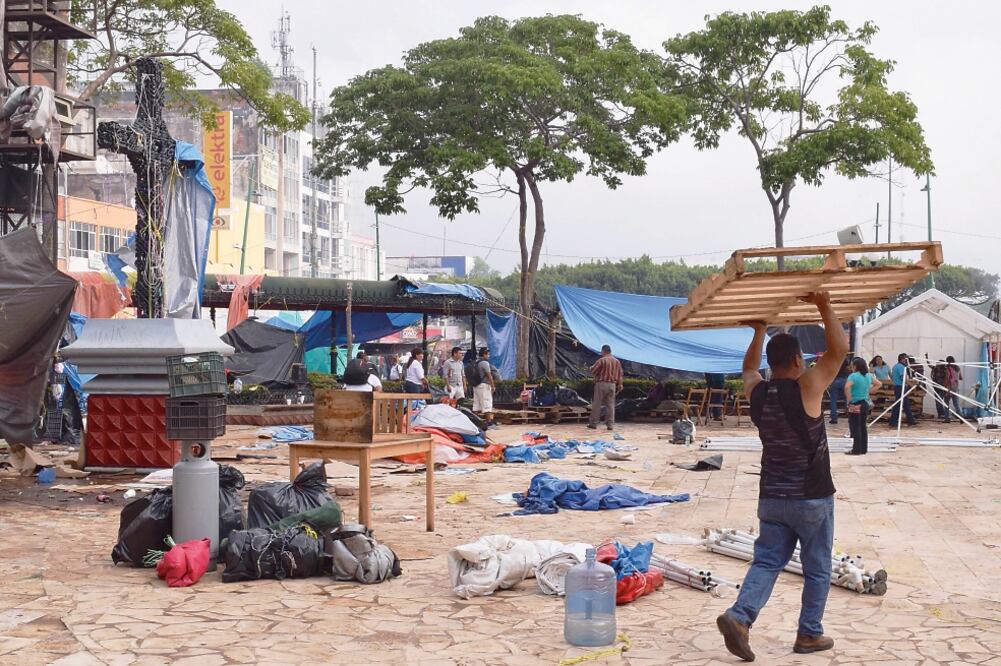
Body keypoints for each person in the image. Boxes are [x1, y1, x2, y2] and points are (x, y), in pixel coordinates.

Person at [716, 292, 846, 661]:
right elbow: (838, 351)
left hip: (772, 496)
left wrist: (758, 333)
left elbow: (747, 370)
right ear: (797, 361)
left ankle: (740, 617)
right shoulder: (807, 388)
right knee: (818, 569)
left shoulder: (757, 392)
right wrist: (823, 305)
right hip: (811, 497)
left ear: (772, 362)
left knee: (768, 561)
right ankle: (809, 634)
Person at [844, 357, 880, 455]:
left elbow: (847, 387)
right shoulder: (868, 376)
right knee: (863, 427)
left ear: (855, 366)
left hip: (855, 403)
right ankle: (864, 449)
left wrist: (849, 398)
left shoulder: (853, 376)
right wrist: (868, 391)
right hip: (865, 403)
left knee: (856, 427)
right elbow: (878, 384)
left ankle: (856, 450)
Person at [588, 344, 623, 431]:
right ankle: (610, 425)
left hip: (601, 384)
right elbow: (620, 375)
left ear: (603, 351)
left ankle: (593, 423)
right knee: (610, 405)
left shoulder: (602, 360)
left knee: (597, 404)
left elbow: (593, 370)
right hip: (612, 385)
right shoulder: (617, 361)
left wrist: (590, 368)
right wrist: (620, 384)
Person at [889, 353, 916, 427]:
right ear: (902, 359)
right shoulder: (901, 367)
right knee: (898, 404)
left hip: (899, 387)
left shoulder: (896, 366)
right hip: (900, 387)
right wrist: (912, 385)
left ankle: (911, 420)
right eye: (906, 359)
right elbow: (903, 378)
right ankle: (893, 422)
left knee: (906, 404)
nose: (907, 361)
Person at [826, 355, 850, 424]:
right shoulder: (846, 362)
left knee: (833, 400)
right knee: (847, 399)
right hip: (844, 381)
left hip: (835, 381)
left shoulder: (834, 362)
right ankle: (850, 416)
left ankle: (834, 419)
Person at [472, 347, 495, 413]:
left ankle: (475, 421)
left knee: (476, 405)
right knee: (487, 404)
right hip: (484, 385)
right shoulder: (485, 363)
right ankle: (489, 422)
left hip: (476, 385)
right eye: (488, 354)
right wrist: (493, 386)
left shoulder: (476, 362)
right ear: (484, 354)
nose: (489, 356)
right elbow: (489, 375)